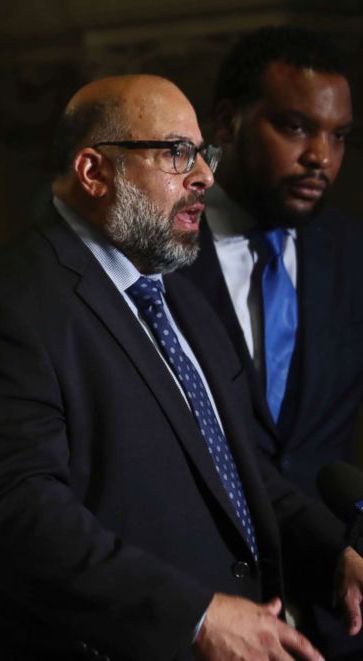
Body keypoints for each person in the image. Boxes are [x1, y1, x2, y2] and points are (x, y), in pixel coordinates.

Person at [0, 74, 363, 660]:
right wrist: (195, 617)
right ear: (94, 171)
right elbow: (14, 516)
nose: (205, 175)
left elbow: (237, 469)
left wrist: (335, 554)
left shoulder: (177, 294)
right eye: (177, 153)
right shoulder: (2, 310)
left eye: (203, 153)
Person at [177, 28, 360, 655]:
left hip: (338, 609)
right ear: (226, 124)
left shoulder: (351, 254)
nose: (322, 157)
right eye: (296, 127)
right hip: (201, 608)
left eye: (338, 137)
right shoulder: (156, 260)